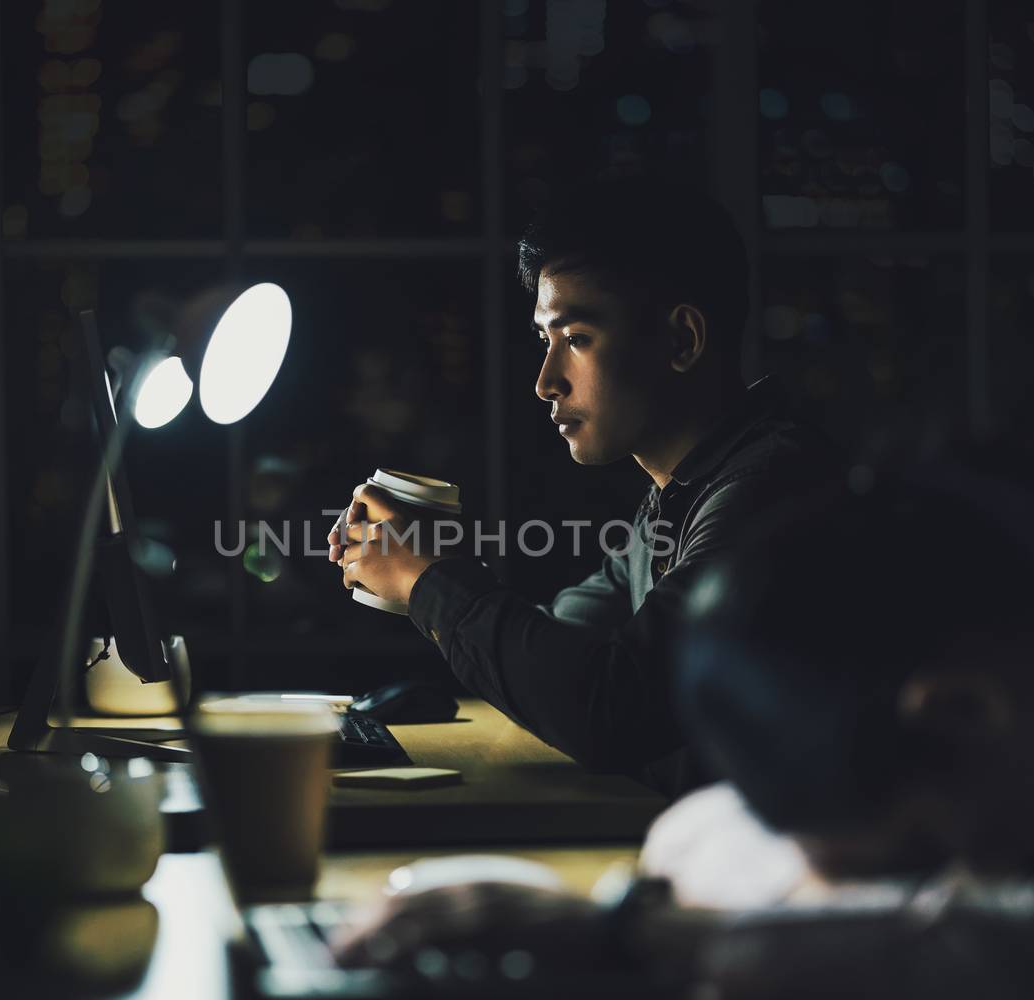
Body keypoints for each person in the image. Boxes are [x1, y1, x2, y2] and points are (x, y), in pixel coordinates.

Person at [331, 477, 1034, 1000]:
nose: (961, 890)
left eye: (929, 855)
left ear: (963, 710)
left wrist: (625, 933)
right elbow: (701, 831)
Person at [327, 172, 837, 793]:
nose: (546, 380)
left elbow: (610, 708)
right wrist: (428, 571)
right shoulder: (678, 497)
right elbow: (564, 646)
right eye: (546, 339)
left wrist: (428, 578)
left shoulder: (769, 492)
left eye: (577, 338)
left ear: (681, 338)